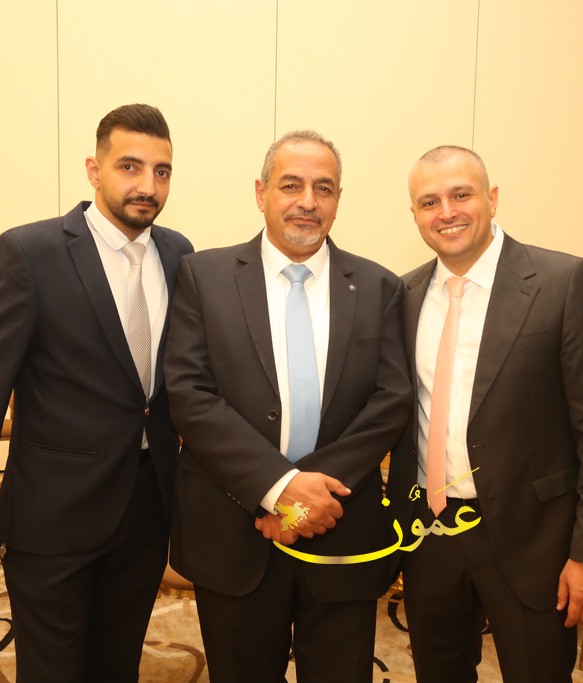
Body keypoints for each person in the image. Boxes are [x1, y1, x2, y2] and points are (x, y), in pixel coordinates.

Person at [0, 104, 193, 682]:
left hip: (146, 509)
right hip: (53, 515)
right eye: (129, 166)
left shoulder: (179, 254)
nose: (147, 185)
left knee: (117, 665)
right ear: (94, 170)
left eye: (161, 171)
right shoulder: (32, 253)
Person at [164, 130, 411, 683]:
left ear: (339, 199)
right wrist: (278, 489)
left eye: (324, 188)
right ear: (261, 193)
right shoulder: (204, 277)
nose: (308, 201)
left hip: (341, 528)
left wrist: (309, 496)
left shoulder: (379, 287)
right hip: (235, 530)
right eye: (291, 185)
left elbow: (390, 400)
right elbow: (190, 394)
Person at [387, 145, 583, 682]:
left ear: (492, 198)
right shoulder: (403, 294)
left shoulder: (563, 282)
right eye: (429, 201)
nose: (446, 212)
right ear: (415, 214)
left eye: (461, 195)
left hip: (534, 538)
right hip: (428, 535)